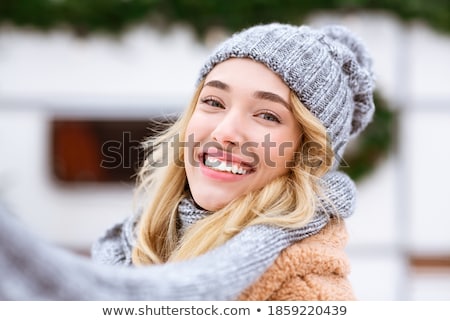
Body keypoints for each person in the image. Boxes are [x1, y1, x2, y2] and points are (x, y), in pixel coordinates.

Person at [0, 22, 374, 300]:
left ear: (306, 154)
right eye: (213, 102)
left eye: (267, 115)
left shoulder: (307, 294)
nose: (226, 132)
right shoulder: (127, 249)